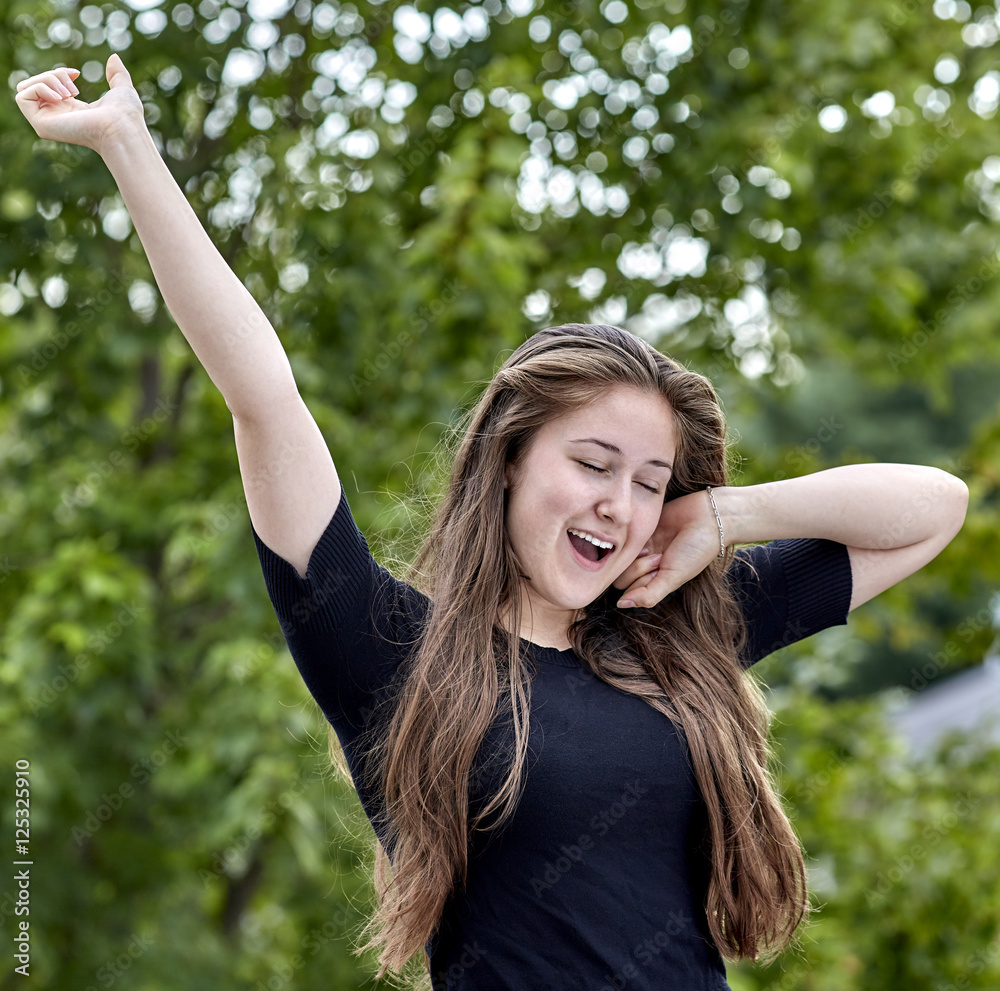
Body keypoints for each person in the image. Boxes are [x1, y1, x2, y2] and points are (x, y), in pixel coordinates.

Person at [15, 56, 969, 990]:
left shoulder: (680, 633)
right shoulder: (389, 648)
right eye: (592, 464)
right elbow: (264, 396)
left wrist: (724, 514)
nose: (619, 503)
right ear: (510, 461)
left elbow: (934, 508)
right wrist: (125, 143)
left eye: (647, 482)